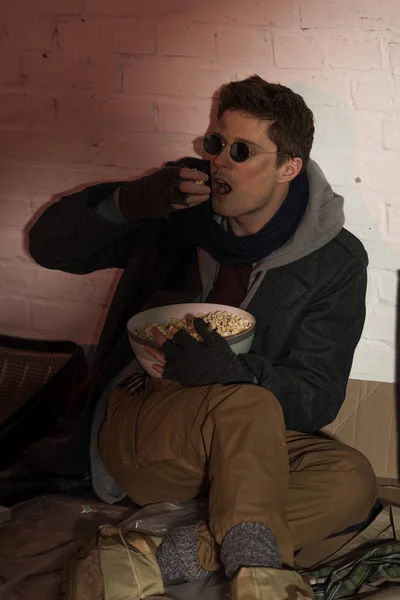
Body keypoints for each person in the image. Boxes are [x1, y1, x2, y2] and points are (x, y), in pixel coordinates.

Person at [29, 75, 377, 599]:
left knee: (351, 476)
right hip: (143, 421)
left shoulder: (335, 262)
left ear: (289, 167)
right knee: (247, 406)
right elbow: (50, 247)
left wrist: (236, 373)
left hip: (235, 441)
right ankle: (260, 580)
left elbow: (317, 396)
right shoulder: (176, 215)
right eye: (216, 145)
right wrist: (130, 201)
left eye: (241, 150)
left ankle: (154, 555)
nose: (219, 163)